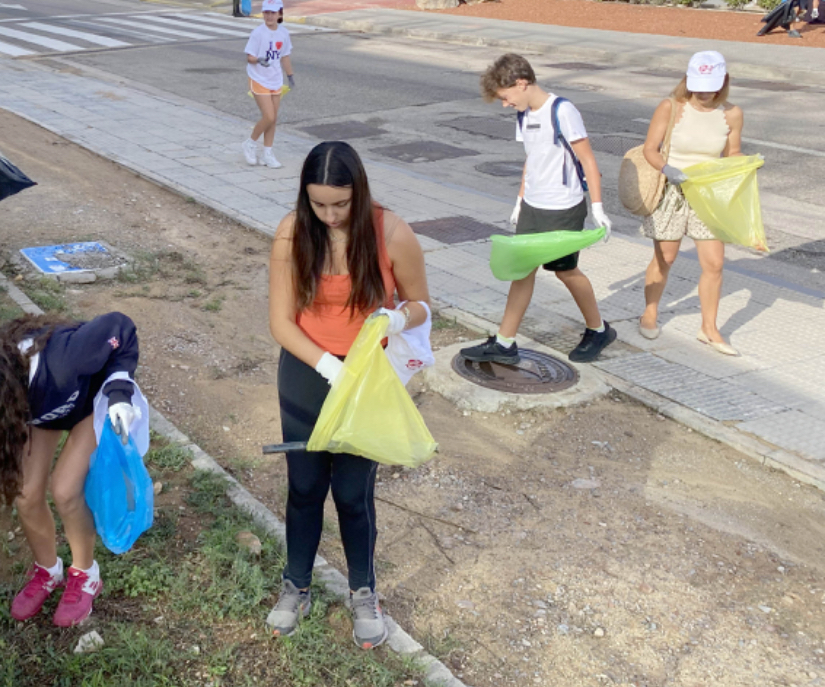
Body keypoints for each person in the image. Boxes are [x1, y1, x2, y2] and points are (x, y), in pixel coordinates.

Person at [266, 141, 431, 648]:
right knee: (304, 486)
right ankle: (296, 585)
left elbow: (423, 305)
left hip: (367, 379)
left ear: (359, 191)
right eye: (319, 204)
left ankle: (364, 591)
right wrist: (329, 367)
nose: (332, 215)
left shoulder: (392, 232)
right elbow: (281, 322)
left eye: (341, 203)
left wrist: (398, 317)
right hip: (307, 370)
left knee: (353, 493)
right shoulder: (293, 232)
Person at [0, 312, 148, 628]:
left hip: (91, 401)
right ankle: (48, 570)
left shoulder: (66, 359)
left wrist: (119, 391)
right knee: (26, 493)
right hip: (43, 411)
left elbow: (119, 326)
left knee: (65, 490)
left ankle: (86, 575)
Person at [460, 53, 616, 365]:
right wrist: (520, 200)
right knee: (523, 271)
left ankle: (599, 330)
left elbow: (587, 159)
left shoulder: (562, 111)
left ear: (521, 83)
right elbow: (532, 159)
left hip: (563, 207)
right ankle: (505, 343)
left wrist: (598, 208)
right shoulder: (524, 115)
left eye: (506, 97)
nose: (505, 104)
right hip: (533, 205)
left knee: (565, 271)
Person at [638, 51, 745, 356]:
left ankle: (709, 328)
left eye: (710, 86)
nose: (703, 92)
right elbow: (650, 148)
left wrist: (745, 164)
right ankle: (649, 312)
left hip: (708, 194)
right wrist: (667, 169)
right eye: (698, 85)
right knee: (666, 257)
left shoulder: (732, 114)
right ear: (688, 80)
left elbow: (732, 152)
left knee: (714, 263)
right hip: (673, 190)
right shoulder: (671, 107)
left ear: (723, 82)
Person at [242, 0, 294, 170]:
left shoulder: (283, 33)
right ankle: (250, 143)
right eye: (266, 12)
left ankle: (267, 153)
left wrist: (290, 75)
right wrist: (258, 60)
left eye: (273, 13)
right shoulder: (258, 33)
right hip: (258, 78)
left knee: (273, 119)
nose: (269, 16)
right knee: (268, 116)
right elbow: (249, 57)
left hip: (275, 79)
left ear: (280, 14)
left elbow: (284, 56)